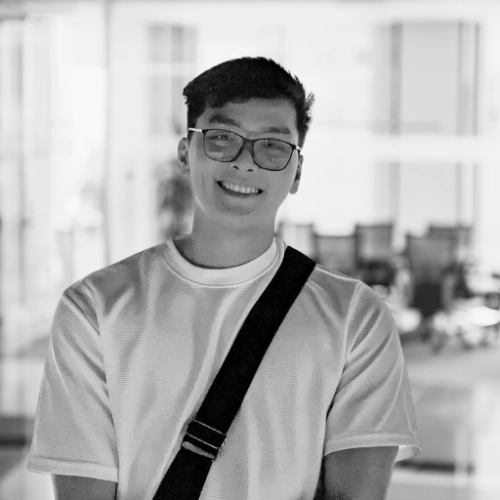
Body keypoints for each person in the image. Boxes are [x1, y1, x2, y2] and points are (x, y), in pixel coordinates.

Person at [27, 57, 421, 500]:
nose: (245, 162)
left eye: (272, 145)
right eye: (221, 138)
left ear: (297, 171)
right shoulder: (95, 309)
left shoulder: (355, 317)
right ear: (185, 151)